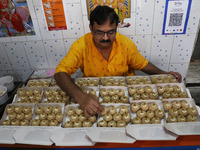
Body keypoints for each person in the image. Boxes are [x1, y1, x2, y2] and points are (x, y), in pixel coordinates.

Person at [54, 5, 182, 117]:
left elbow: (142, 64)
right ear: (91, 28)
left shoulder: (125, 44)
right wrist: (80, 97)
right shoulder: (81, 46)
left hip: (127, 99)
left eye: (111, 32)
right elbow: (60, 73)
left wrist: (164, 74)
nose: (105, 38)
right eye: (99, 32)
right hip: (93, 98)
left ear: (116, 28)